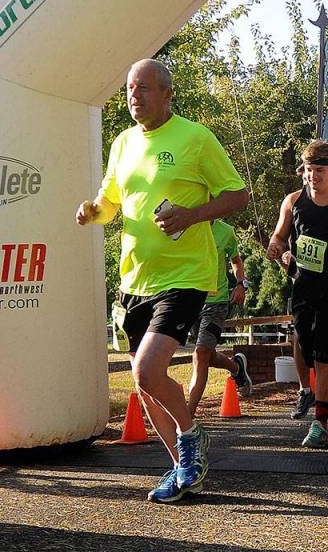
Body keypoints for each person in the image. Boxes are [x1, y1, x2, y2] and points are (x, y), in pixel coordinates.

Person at [76, 59, 248, 503]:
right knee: (145, 384)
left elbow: (238, 194)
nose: (134, 95)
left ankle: (191, 437)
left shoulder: (195, 138)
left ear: (168, 94)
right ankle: (183, 468)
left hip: (186, 275)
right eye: (130, 88)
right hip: (136, 278)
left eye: (144, 88)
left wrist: (192, 215)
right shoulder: (122, 142)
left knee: (147, 370)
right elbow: (110, 202)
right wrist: (93, 212)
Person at [266, 140, 328, 448]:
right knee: (307, 346)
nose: (313, 176)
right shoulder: (293, 201)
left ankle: (320, 423)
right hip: (303, 286)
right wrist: (276, 247)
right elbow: (279, 235)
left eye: (319, 171)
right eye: (309, 170)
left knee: (321, 354)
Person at [187, 219, 253, 417]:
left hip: (216, 303)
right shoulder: (186, 225)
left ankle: (188, 415)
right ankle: (236, 367)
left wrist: (241, 284)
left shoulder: (226, 231)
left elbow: (236, 260)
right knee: (206, 355)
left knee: (200, 354)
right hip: (189, 302)